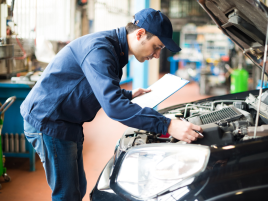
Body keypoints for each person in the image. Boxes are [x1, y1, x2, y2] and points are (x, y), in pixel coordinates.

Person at [21, 8, 203, 201]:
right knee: (66, 194)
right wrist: (167, 125)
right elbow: (114, 107)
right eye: (157, 47)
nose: (157, 55)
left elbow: (92, 85)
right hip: (49, 121)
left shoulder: (115, 49)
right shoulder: (100, 50)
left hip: (67, 120)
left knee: (77, 188)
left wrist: (127, 94)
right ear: (140, 34)